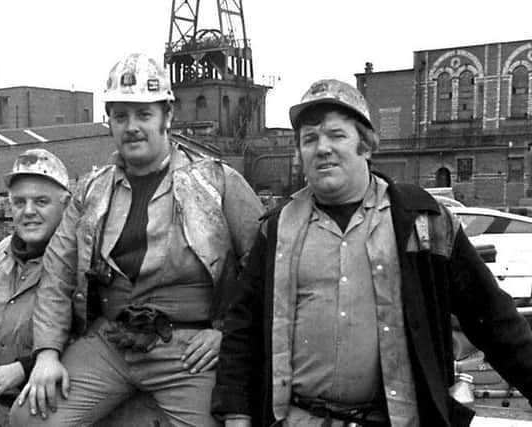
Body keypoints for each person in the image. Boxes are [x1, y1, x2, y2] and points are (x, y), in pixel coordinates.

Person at [211, 79, 532, 427]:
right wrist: (237, 414)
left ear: (366, 146)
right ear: (299, 154)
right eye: (309, 139)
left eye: (337, 135)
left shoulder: (422, 222)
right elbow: (242, 328)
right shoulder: (275, 231)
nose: (322, 148)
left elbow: (495, 321)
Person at [10, 52, 264, 427]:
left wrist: (223, 332)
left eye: (144, 114)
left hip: (188, 349)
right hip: (111, 341)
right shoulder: (91, 191)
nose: (132, 127)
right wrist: (47, 354)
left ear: (168, 117)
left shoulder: (216, 182)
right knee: (29, 419)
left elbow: (261, 268)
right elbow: (58, 276)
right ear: (109, 121)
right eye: (121, 116)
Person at [0, 149, 71, 426]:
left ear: (66, 205)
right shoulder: (1, 251)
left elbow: (92, 339)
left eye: (41, 201)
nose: (28, 211)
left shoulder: (77, 262)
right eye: (19, 202)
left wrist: (24, 368)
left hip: (35, 409)